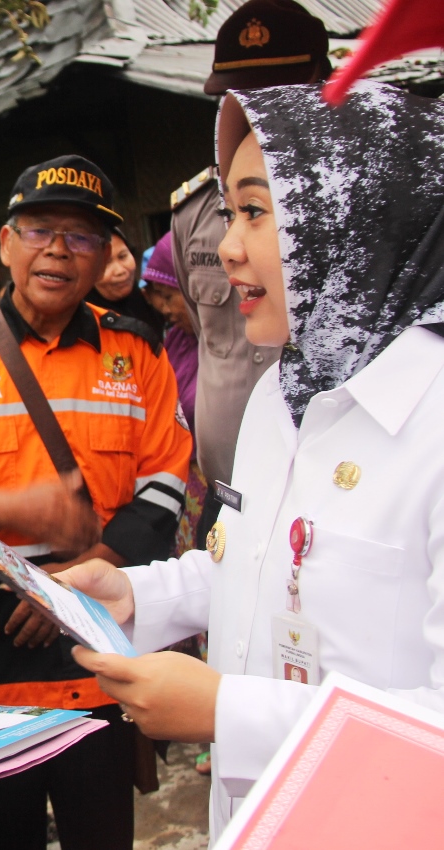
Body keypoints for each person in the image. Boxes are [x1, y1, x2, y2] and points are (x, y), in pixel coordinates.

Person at [62, 81, 444, 841]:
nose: (225, 246)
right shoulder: (280, 392)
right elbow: (264, 562)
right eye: (228, 214)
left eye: (256, 211)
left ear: (357, 218)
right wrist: (138, 598)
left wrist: (224, 713)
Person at [0, 155, 193, 850]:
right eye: (39, 229)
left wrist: (74, 583)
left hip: (95, 659)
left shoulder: (135, 352)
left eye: (81, 236)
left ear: (109, 255)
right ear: (4, 243)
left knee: (101, 835)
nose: (57, 250)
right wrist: (14, 510)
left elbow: (164, 487)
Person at [170, 0, 331, 547]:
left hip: (332, 483)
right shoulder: (192, 213)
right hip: (230, 479)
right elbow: (203, 331)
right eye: (241, 95)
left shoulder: (354, 216)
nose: (258, 110)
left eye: (279, 91)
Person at [141, 232, 206, 555]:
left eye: (169, 296)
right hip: (183, 494)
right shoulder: (177, 341)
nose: (164, 309)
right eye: (158, 299)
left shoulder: (232, 350)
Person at [86, 228, 162, 334]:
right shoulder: (84, 327)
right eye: (106, 264)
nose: (120, 271)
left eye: (122, 256)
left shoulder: (155, 304)